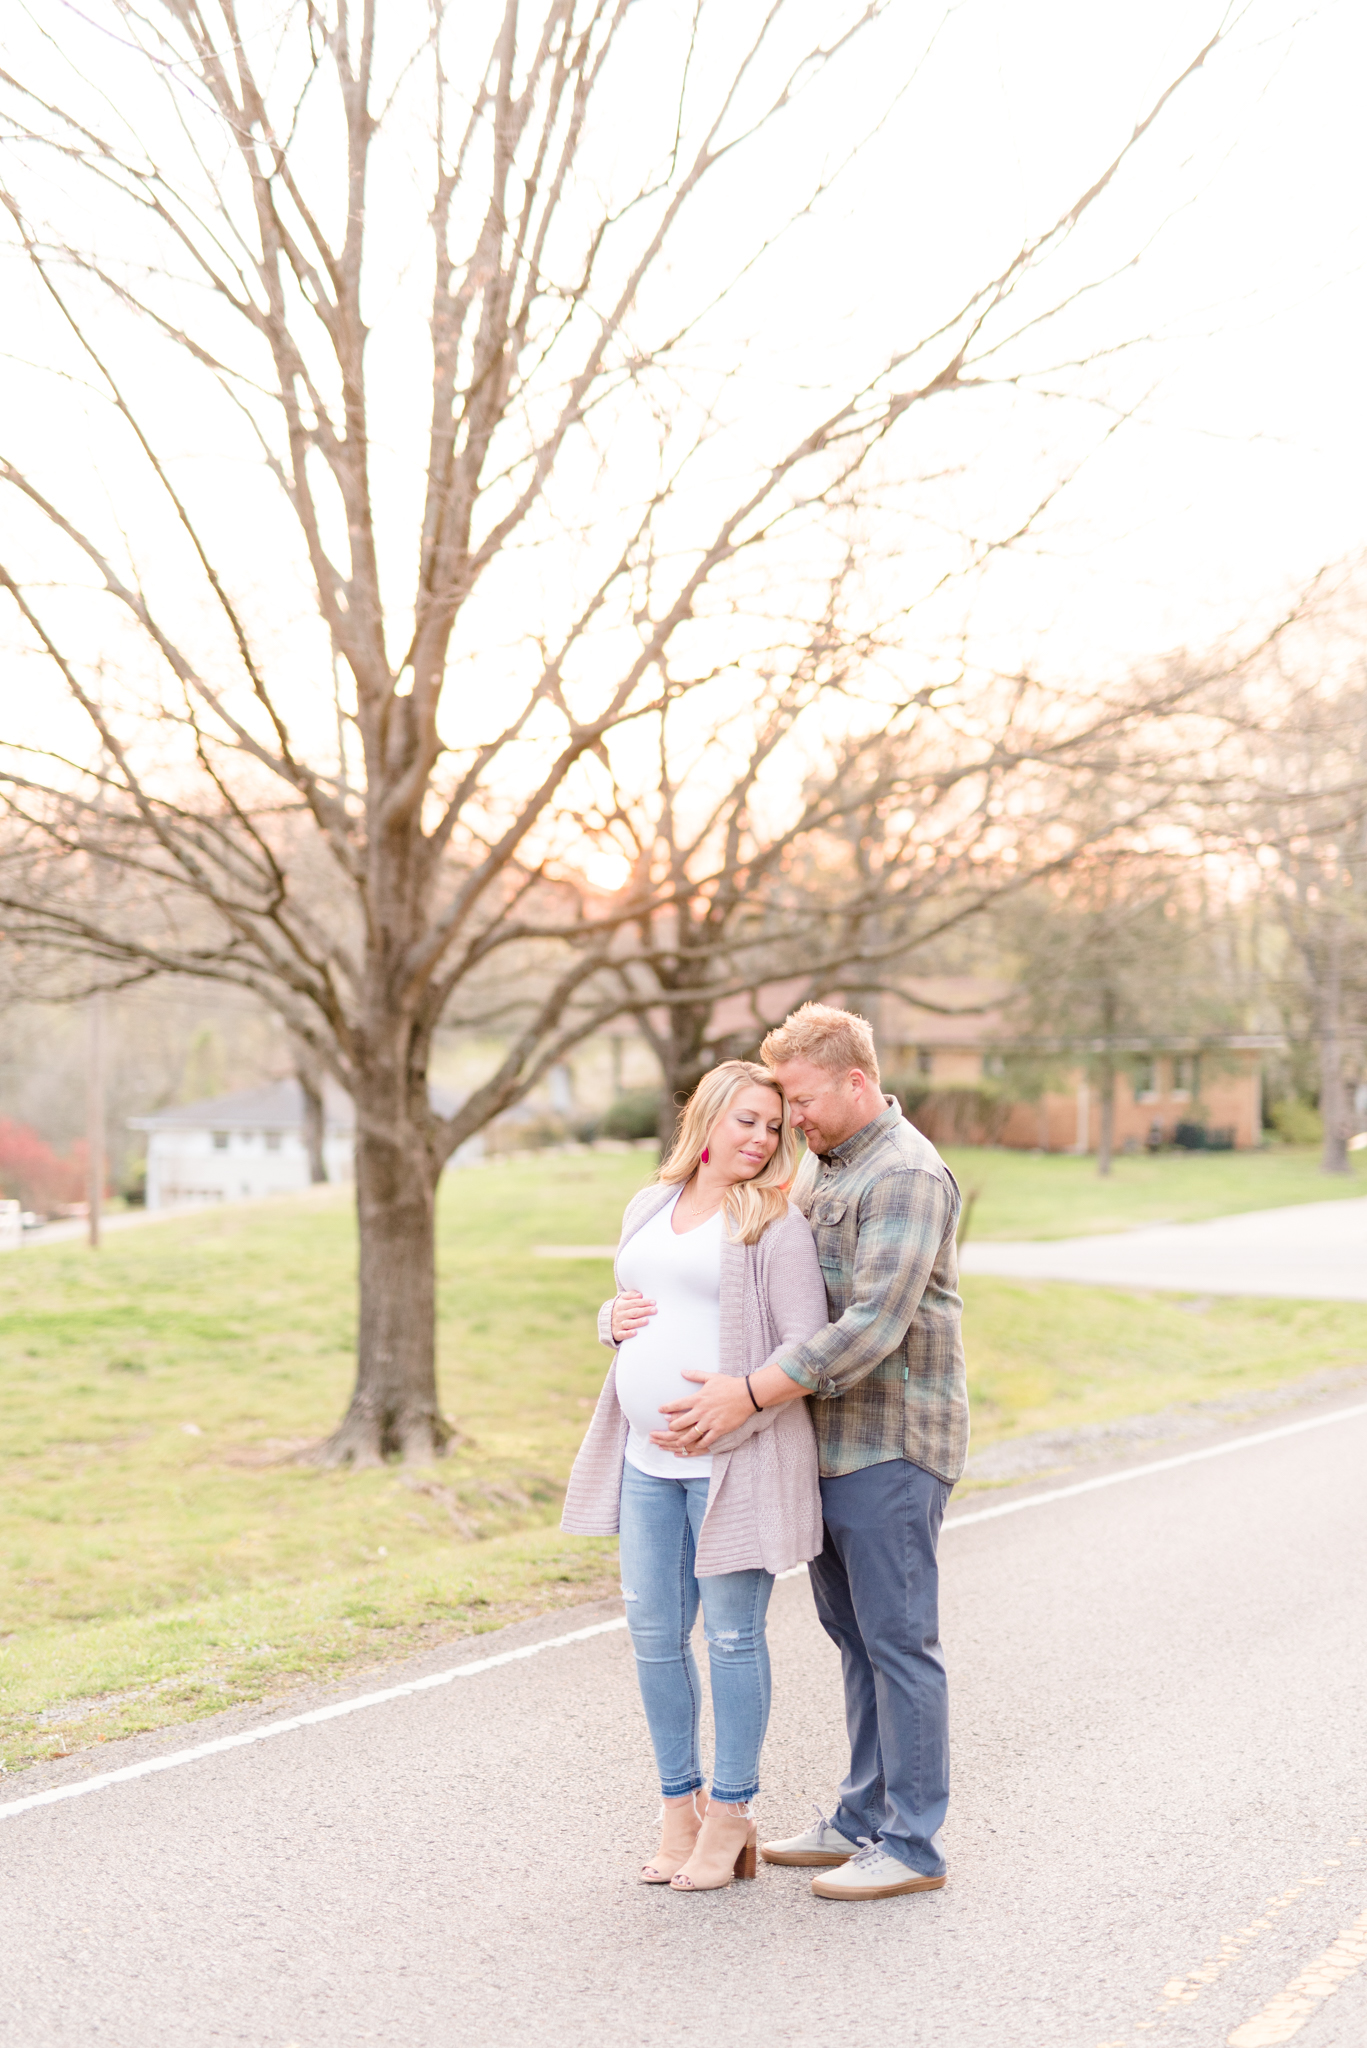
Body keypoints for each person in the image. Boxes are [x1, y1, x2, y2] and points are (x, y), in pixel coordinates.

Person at [654, 1003, 968, 1902]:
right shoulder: (827, 1169)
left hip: (891, 1445)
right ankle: (861, 1818)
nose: (791, 1117)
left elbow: (870, 1327)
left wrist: (746, 1393)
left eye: (798, 1097)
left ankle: (913, 1843)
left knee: (899, 1642)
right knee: (854, 1637)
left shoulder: (904, 1174)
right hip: (825, 1448)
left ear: (854, 1081)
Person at [561, 1059, 828, 1893]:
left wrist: (734, 1409)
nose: (760, 1138)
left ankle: (732, 1816)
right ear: (707, 1119)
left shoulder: (772, 1225)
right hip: (645, 1461)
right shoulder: (649, 1204)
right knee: (652, 1638)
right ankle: (678, 1808)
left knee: (732, 1639)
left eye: (773, 1126)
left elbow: (806, 1348)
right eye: (746, 1119)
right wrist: (607, 1322)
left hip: (732, 1467)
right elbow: (635, 1300)